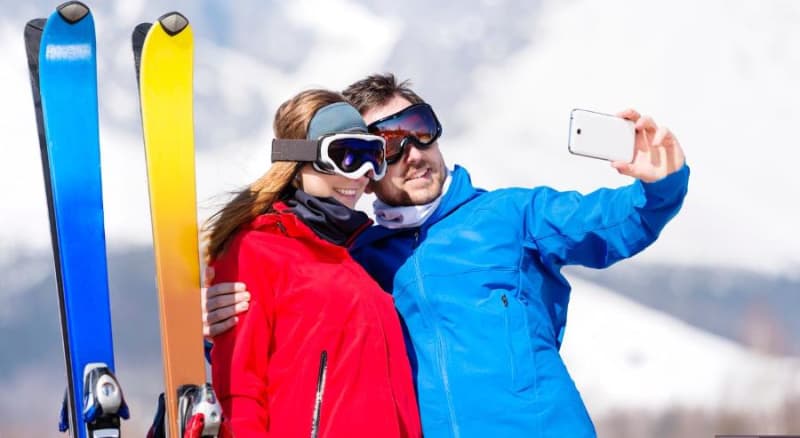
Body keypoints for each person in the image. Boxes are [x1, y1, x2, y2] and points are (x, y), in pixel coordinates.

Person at [204, 74, 690, 438]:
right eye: (389, 146)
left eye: (421, 129)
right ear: (367, 166)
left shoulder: (511, 215)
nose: (414, 152)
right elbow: (295, 344)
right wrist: (215, 323)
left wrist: (658, 184)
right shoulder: (356, 260)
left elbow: (614, 222)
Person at [203, 88, 422, 437]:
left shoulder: (360, 260)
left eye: (372, 157)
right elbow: (240, 390)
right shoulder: (257, 250)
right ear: (300, 159)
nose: (361, 174)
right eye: (347, 156)